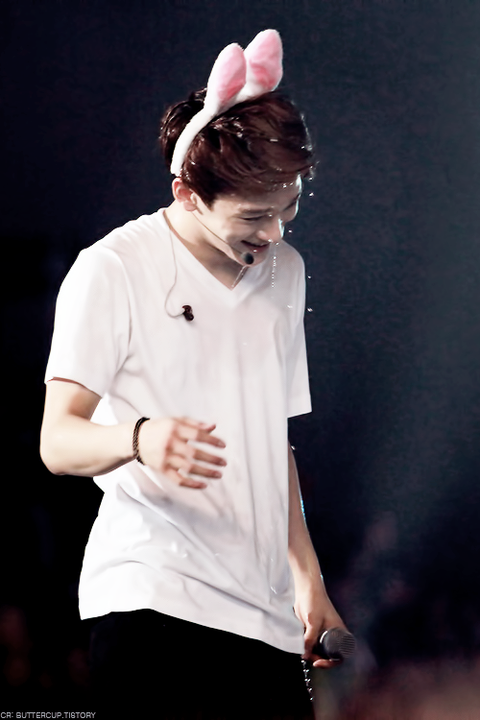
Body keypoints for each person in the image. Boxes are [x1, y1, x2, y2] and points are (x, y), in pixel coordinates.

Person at [40, 30, 347, 719]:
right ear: (186, 193)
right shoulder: (112, 268)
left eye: (289, 207)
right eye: (255, 216)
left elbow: (270, 443)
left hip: (263, 615)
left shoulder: (285, 271)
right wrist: (141, 438)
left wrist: (309, 581)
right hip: (151, 600)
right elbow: (57, 441)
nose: (275, 234)